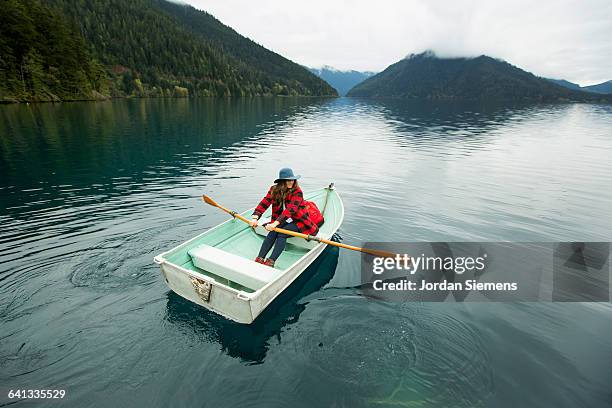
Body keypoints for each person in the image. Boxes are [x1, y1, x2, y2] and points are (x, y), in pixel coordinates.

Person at [250, 167, 324, 267]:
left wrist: (275, 223)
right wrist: (255, 218)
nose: (291, 182)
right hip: (283, 220)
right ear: (281, 181)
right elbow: (264, 203)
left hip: (299, 221)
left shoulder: (297, 192)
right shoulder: (274, 190)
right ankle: (260, 258)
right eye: (287, 180)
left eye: (292, 180)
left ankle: (271, 261)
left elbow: (290, 210)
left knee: (281, 233)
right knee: (273, 232)